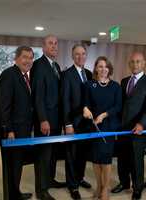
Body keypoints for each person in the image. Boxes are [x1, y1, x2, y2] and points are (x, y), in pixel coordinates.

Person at [0, 46, 34, 200]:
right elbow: (3, 106)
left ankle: (15, 193)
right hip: (13, 132)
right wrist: (9, 130)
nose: (28, 60)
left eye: (31, 57)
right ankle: (11, 195)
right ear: (16, 58)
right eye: (25, 57)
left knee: (17, 165)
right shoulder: (8, 75)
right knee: (12, 166)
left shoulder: (25, 76)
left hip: (23, 130)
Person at [30, 35, 64, 200]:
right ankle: (41, 190)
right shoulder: (38, 65)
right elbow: (38, 96)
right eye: (50, 43)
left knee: (52, 154)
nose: (54, 46)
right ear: (43, 47)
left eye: (56, 44)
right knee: (43, 156)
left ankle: (50, 180)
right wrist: (43, 119)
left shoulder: (55, 65)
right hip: (45, 121)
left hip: (57, 120)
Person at [83, 56, 122, 200]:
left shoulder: (116, 86)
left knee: (106, 160)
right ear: (96, 69)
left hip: (109, 126)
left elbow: (118, 107)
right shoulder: (89, 85)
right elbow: (85, 103)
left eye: (106, 66)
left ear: (109, 69)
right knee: (96, 159)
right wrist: (85, 109)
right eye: (100, 66)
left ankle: (105, 188)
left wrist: (104, 115)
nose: (103, 69)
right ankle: (98, 185)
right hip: (94, 127)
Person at [111, 52, 146, 200]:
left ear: (144, 63)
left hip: (138, 129)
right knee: (122, 158)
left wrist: (142, 123)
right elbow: (121, 105)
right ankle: (124, 183)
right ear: (129, 64)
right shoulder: (124, 81)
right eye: (132, 62)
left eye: (138, 62)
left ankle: (137, 188)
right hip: (123, 128)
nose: (135, 64)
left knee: (136, 160)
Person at [62, 44, 92, 200]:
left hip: (86, 124)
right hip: (73, 123)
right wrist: (68, 124)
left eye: (83, 54)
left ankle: (80, 178)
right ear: (73, 56)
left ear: (86, 55)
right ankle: (72, 186)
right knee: (71, 155)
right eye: (77, 54)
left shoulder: (89, 73)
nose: (80, 57)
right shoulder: (67, 74)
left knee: (82, 154)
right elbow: (65, 100)